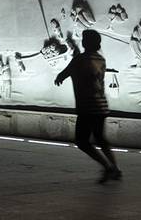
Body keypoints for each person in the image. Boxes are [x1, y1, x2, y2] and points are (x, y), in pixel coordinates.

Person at [54, 29, 122, 183]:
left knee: (82, 141)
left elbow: (64, 73)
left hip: (87, 106)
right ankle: (115, 168)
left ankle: (107, 167)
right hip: (101, 106)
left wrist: (60, 78)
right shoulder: (101, 59)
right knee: (100, 138)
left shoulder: (80, 59)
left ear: (86, 43)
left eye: (84, 39)